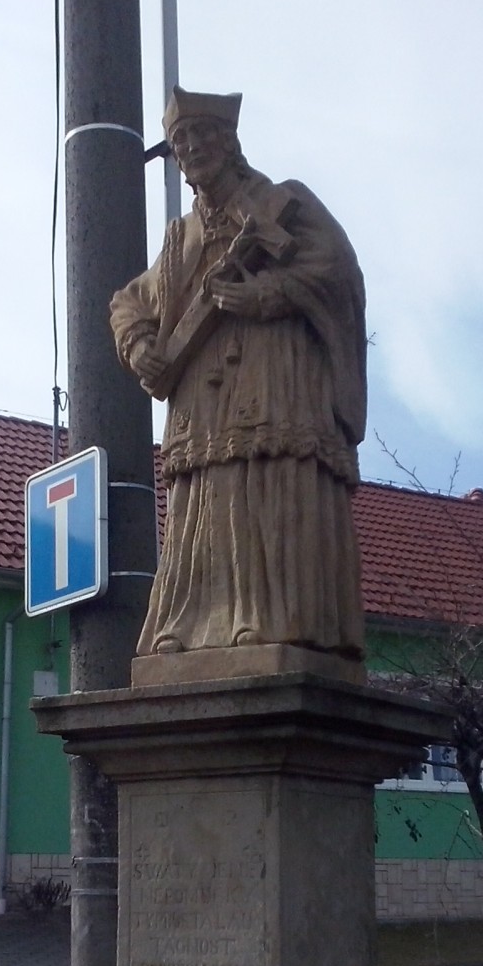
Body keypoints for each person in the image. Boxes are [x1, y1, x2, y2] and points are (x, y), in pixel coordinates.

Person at [110, 88, 367, 662]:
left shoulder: (283, 203)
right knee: (205, 499)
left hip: (274, 376)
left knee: (268, 482)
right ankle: (191, 626)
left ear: (229, 141)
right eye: (181, 140)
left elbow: (337, 273)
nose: (192, 147)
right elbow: (129, 301)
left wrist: (269, 294)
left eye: (203, 134)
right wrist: (140, 344)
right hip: (200, 398)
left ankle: (275, 618)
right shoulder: (181, 238)